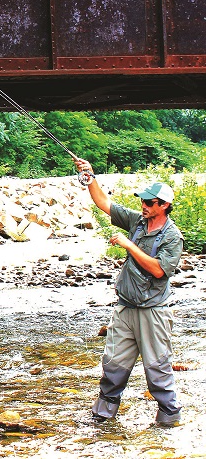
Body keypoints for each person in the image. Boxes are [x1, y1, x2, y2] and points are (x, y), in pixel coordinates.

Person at [75, 158, 184, 426]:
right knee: (113, 365)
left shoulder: (173, 237)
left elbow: (159, 270)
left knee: (157, 370)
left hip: (153, 311)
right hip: (125, 308)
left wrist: (128, 245)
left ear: (164, 206)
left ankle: (169, 419)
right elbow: (104, 203)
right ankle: (102, 418)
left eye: (149, 203)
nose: (143, 206)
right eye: (143, 202)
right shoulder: (137, 221)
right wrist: (89, 176)